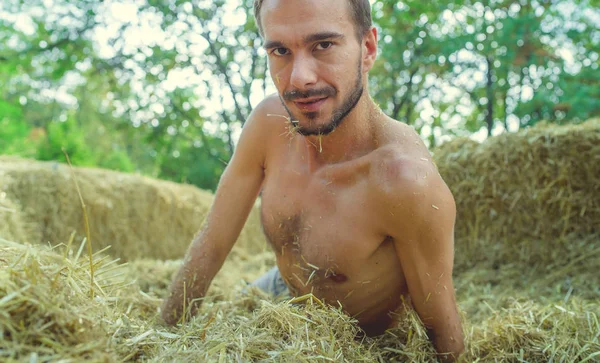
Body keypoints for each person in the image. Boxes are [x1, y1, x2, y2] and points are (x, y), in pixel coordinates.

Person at [161, 0, 465, 360]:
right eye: (280, 50)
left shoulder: (402, 178)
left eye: (323, 45)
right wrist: (159, 341)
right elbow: (210, 245)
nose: (299, 78)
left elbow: (441, 326)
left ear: (367, 49)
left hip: (355, 343)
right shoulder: (267, 124)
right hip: (281, 296)